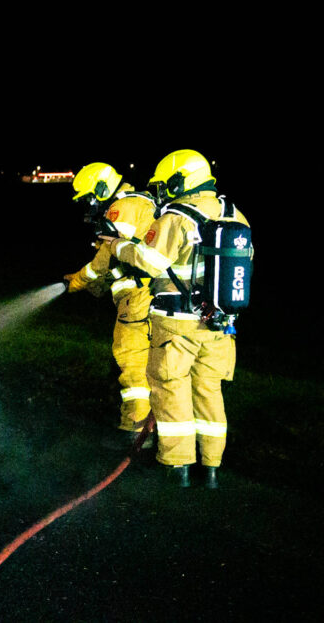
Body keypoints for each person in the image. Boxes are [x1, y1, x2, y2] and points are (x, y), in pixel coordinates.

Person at [102, 149, 251, 488]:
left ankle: (177, 466)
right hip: (219, 325)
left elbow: (150, 261)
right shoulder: (236, 215)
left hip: (176, 324)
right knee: (209, 393)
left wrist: (117, 246)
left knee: (171, 390)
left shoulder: (177, 216)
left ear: (180, 181)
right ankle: (211, 468)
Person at [64, 162, 159, 446]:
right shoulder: (139, 203)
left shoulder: (122, 208)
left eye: (89, 198)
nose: (88, 205)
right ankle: (154, 430)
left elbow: (106, 256)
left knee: (132, 361)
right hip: (150, 295)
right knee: (154, 365)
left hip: (137, 298)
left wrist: (80, 280)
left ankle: (135, 432)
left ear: (102, 189)